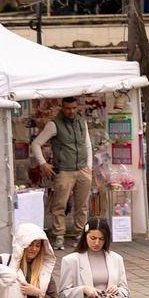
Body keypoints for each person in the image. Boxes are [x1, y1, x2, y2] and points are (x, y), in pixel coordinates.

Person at [29, 100, 93, 251]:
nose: (71, 111)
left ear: (77, 108)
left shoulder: (81, 123)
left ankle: (80, 234)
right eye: (68, 108)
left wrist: (89, 166)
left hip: (83, 169)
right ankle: (59, 235)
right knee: (60, 205)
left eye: (73, 108)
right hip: (64, 170)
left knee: (82, 205)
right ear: (62, 108)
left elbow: (87, 144)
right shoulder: (54, 124)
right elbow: (36, 143)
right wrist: (43, 163)